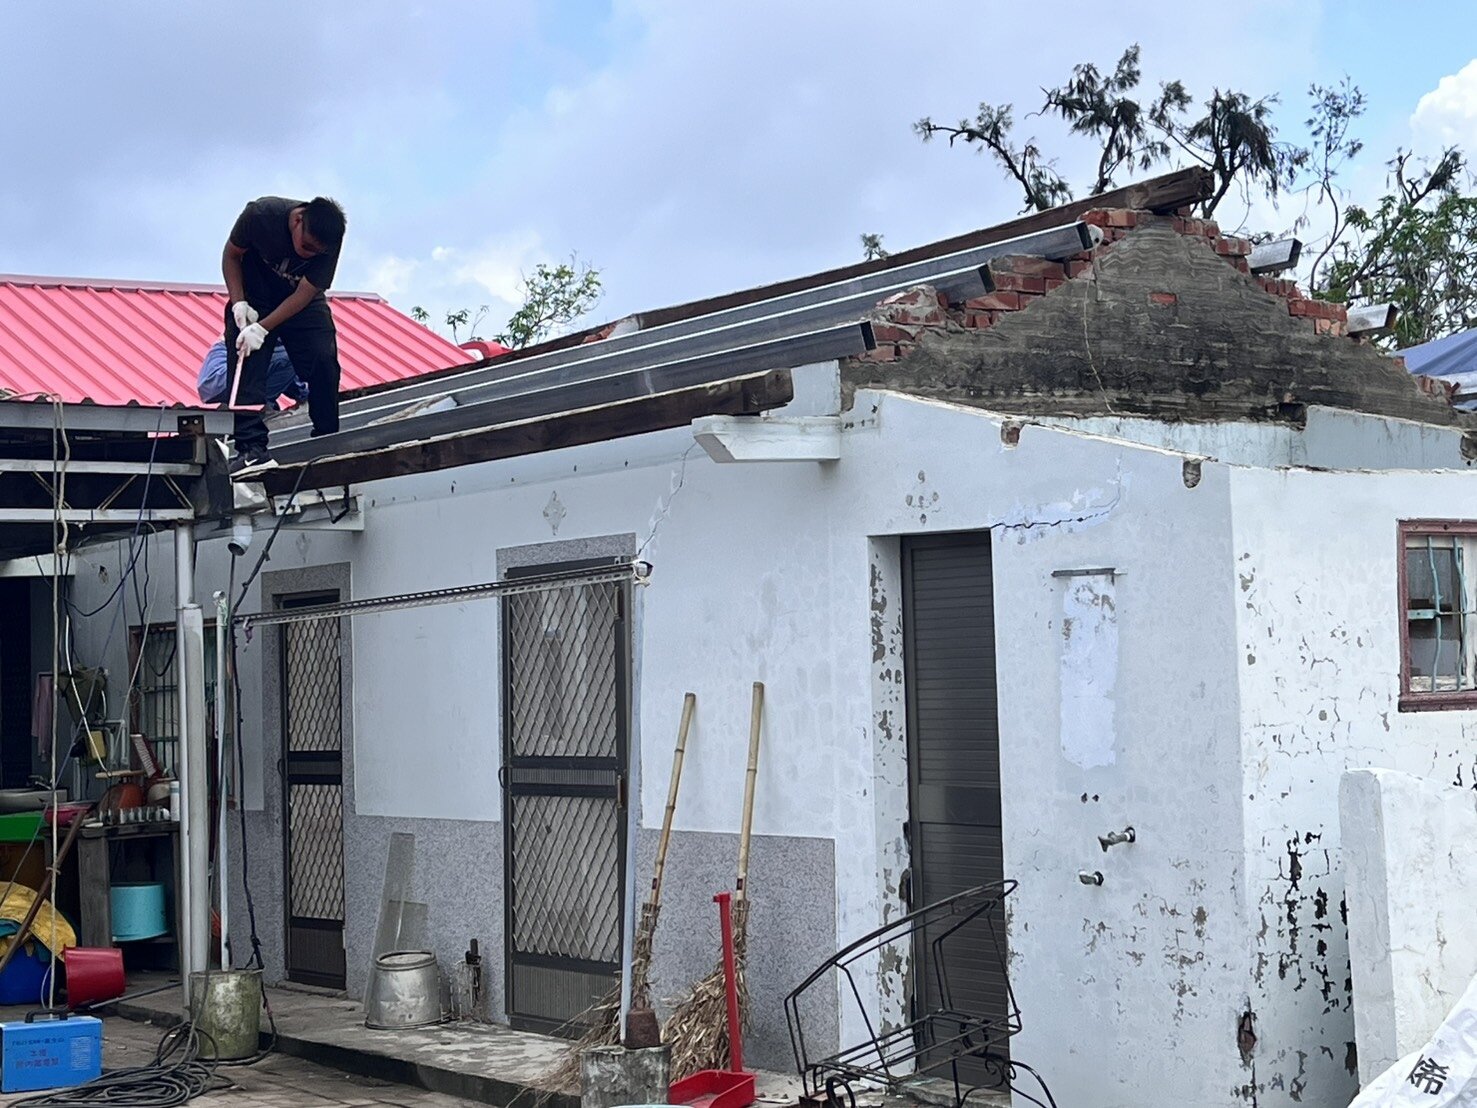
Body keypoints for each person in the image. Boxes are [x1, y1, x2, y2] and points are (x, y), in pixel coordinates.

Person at [221, 195, 347, 471]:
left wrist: (264, 327)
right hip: (255, 294)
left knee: (323, 359)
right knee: (245, 361)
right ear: (298, 220)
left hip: (301, 302)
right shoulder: (261, 215)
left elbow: (306, 293)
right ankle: (251, 448)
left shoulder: (329, 239)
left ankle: (326, 437)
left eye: (316, 252)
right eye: (306, 246)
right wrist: (239, 301)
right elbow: (231, 255)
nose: (309, 254)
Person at [196, 339, 307, 408]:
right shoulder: (273, 325)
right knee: (294, 355)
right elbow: (287, 365)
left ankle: (261, 402)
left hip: (210, 383)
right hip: (222, 377)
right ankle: (260, 404)